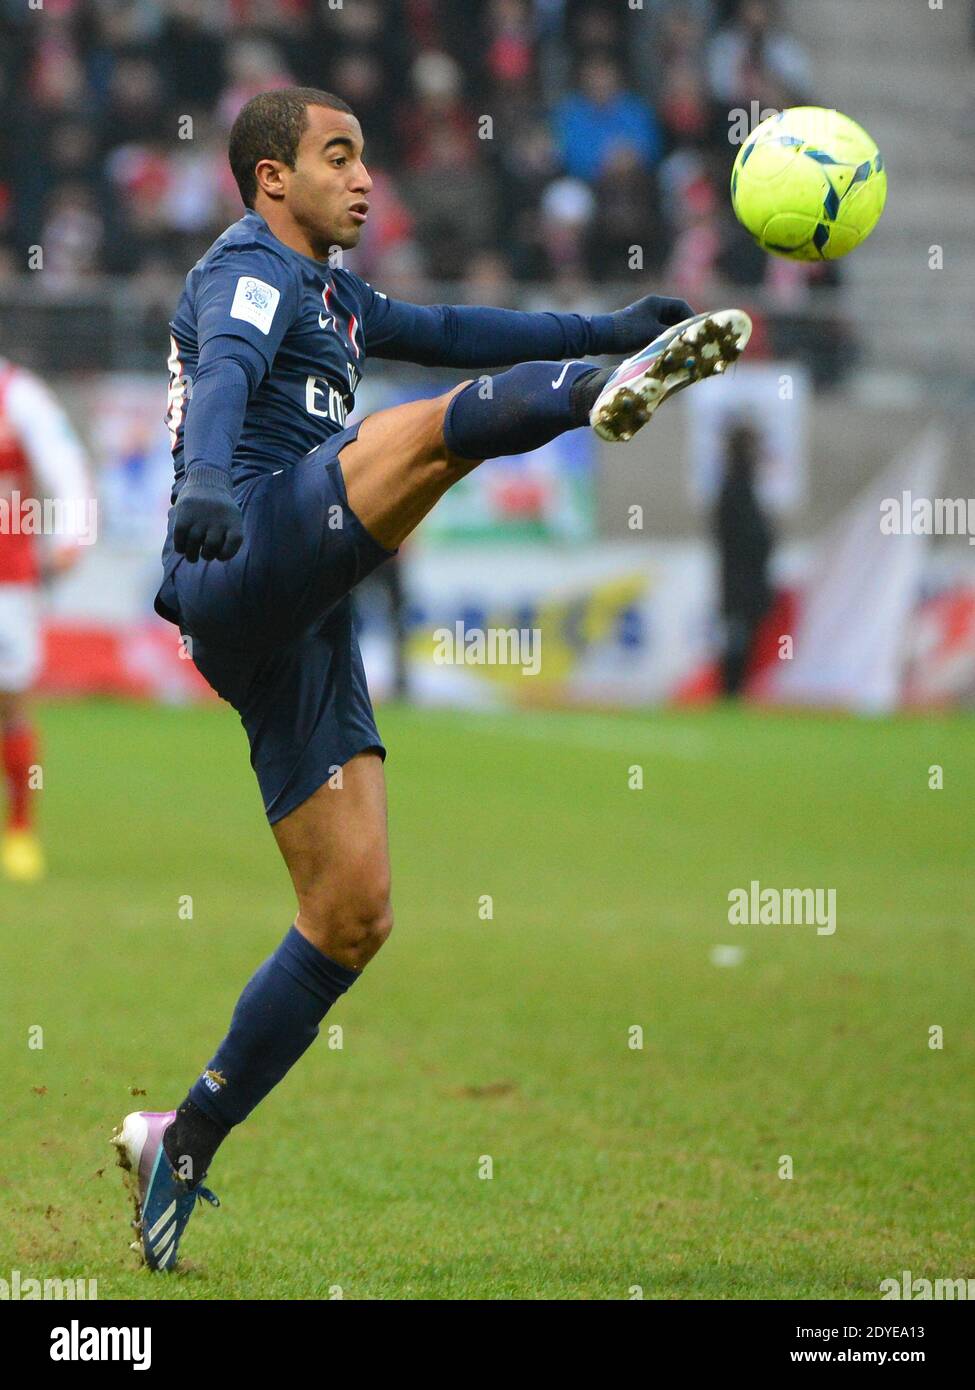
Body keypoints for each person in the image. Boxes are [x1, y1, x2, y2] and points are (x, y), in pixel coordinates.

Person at [111, 86, 751, 1270]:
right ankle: (584, 407)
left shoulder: (335, 295)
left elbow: (453, 324)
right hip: (239, 544)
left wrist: (601, 322)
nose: (365, 179)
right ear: (268, 180)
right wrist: (200, 482)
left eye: (366, 156)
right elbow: (235, 368)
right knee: (423, 432)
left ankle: (181, 1137)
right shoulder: (247, 268)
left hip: (294, 613)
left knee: (352, 915)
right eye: (337, 157)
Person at [0, 359, 92, 881]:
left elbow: (65, 463)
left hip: (7, 579)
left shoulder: (19, 394)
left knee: (11, 704)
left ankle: (19, 829)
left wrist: (71, 534)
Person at [713, 420, 774, 696]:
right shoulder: (735, 487)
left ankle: (735, 692)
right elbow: (747, 538)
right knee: (737, 639)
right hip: (740, 582)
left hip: (742, 581)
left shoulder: (740, 485)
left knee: (741, 638)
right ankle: (731, 692)